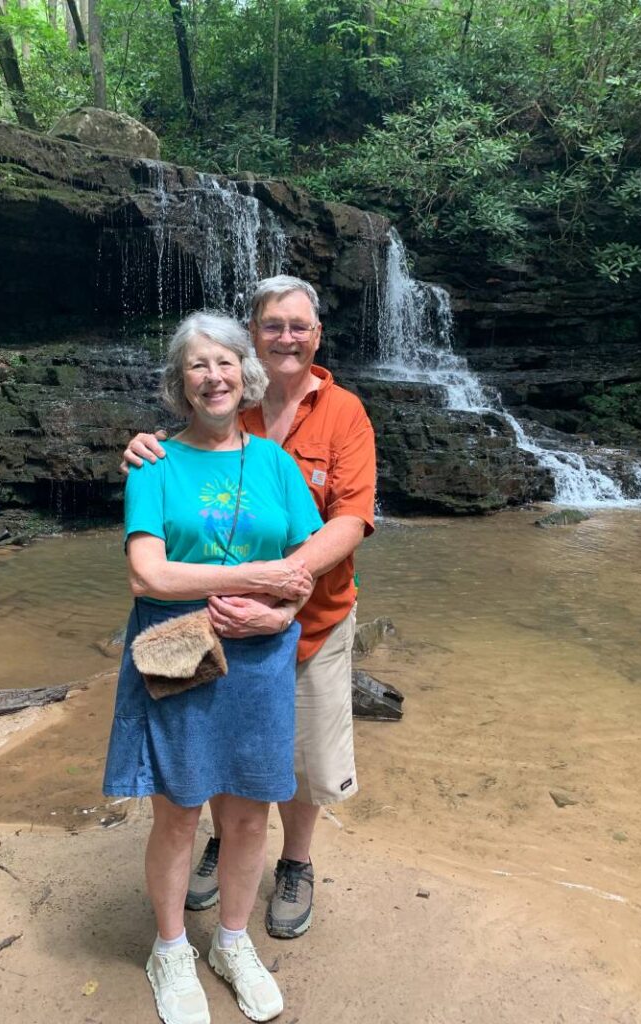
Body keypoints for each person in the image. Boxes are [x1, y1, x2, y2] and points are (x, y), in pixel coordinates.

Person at [122, 276, 377, 942]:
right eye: (272, 325)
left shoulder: (341, 413)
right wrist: (144, 448)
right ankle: (215, 859)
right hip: (199, 632)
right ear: (254, 340)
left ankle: (294, 864)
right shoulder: (226, 411)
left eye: (299, 326)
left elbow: (350, 519)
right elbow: (154, 554)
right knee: (203, 773)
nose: (286, 337)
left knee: (300, 762)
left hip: (307, 620)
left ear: (317, 335)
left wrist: (282, 599)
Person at [105, 311, 323, 1024]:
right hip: (179, 650)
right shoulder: (154, 464)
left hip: (261, 658)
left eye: (225, 361)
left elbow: (305, 567)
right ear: (181, 382)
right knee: (179, 810)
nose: (213, 376)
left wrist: (281, 614)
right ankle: (170, 948)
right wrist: (260, 577)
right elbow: (147, 575)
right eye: (198, 365)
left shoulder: (275, 464)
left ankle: (231, 942)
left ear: (245, 373)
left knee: (250, 814)